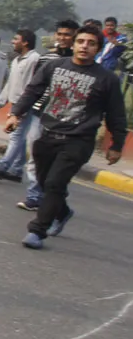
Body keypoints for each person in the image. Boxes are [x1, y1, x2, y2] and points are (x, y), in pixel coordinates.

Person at [7, 24, 126, 249]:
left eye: (91, 43)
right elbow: (33, 91)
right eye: (81, 41)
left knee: (55, 183)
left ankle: (37, 231)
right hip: (47, 135)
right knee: (45, 182)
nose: (85, 46)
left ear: (98, 48)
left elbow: (116, 114)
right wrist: (16, 114)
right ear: (73, 44)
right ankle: (62, 212)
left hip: (78, 141)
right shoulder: (54, 66)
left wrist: (116, 145)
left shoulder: (107, 79)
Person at [19, 19, 78, 211]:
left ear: (75, 36)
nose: (63, 38)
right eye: (60, 34)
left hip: (66, 118)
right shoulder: (46, 58)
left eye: (67, 34)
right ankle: (34, 196)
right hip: (40, 113)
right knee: (35, 155)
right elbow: (35, 86)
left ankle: (52, 197)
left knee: (57, 161)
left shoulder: (82, 63)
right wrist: (19, 111)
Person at [0, 29, 40, 182]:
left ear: (25, 42)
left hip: (24, 104)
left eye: (16, 39)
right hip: (16, 104)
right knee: (19, 137)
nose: (13, 42)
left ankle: (3, 167)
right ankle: (16, 170)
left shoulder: (34, 59)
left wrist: (23, 105)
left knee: (16, 136)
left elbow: (32, 85)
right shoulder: (16, 61)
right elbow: (10, 84)